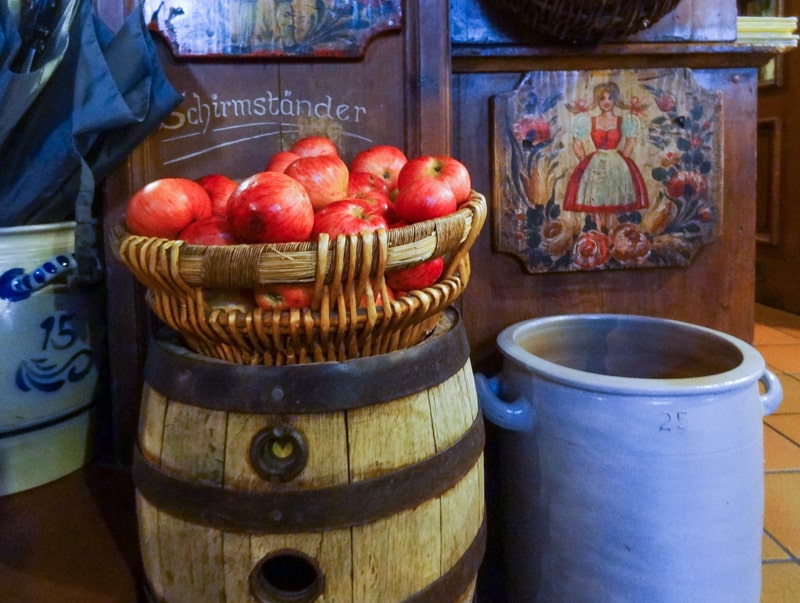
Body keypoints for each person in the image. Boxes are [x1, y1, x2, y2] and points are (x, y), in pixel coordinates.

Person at [563, 82, 648, 230]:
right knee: (596, 200)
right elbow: (577, 143)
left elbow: (630, 141)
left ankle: (611, 235)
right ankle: (598, 233)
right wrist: (584, 161)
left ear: (615, 100)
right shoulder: (589, 120)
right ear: (598, 100)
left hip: (616, 163)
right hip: (596, 163)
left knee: (613, 199)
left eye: (610, 98)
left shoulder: (623, 121)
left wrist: (624, 160)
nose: (606, 102)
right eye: (602, 99)